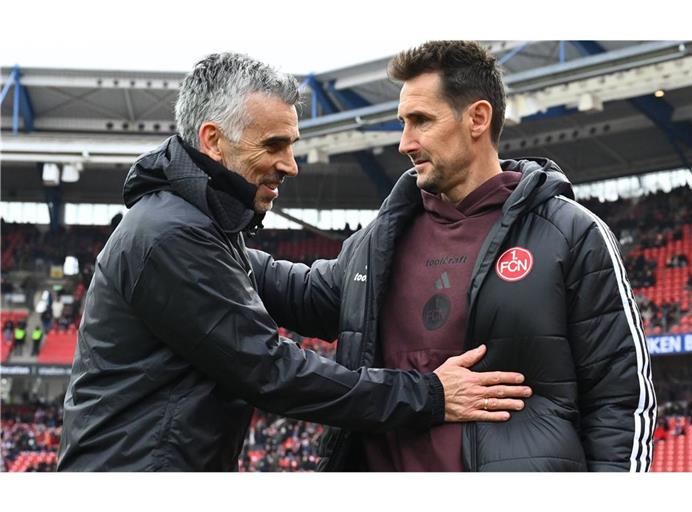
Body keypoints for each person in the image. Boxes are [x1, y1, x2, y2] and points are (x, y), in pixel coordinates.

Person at [56, 52, 530, 472]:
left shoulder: (207, 231)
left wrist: (419, 228)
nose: (290, 164)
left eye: (291, 145)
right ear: (213, 140)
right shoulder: (171, 236)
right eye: (273, 145)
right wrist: (428, 394)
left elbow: (315, 297)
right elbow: (273, 371)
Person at [252, 40, 656, 471]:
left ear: (478, 118)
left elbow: (621, 401)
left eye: (421, 121)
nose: (405, 143)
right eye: (403, 123)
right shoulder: (380, 239)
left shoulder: (571, 233)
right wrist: (210, 236)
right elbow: (305, 295)